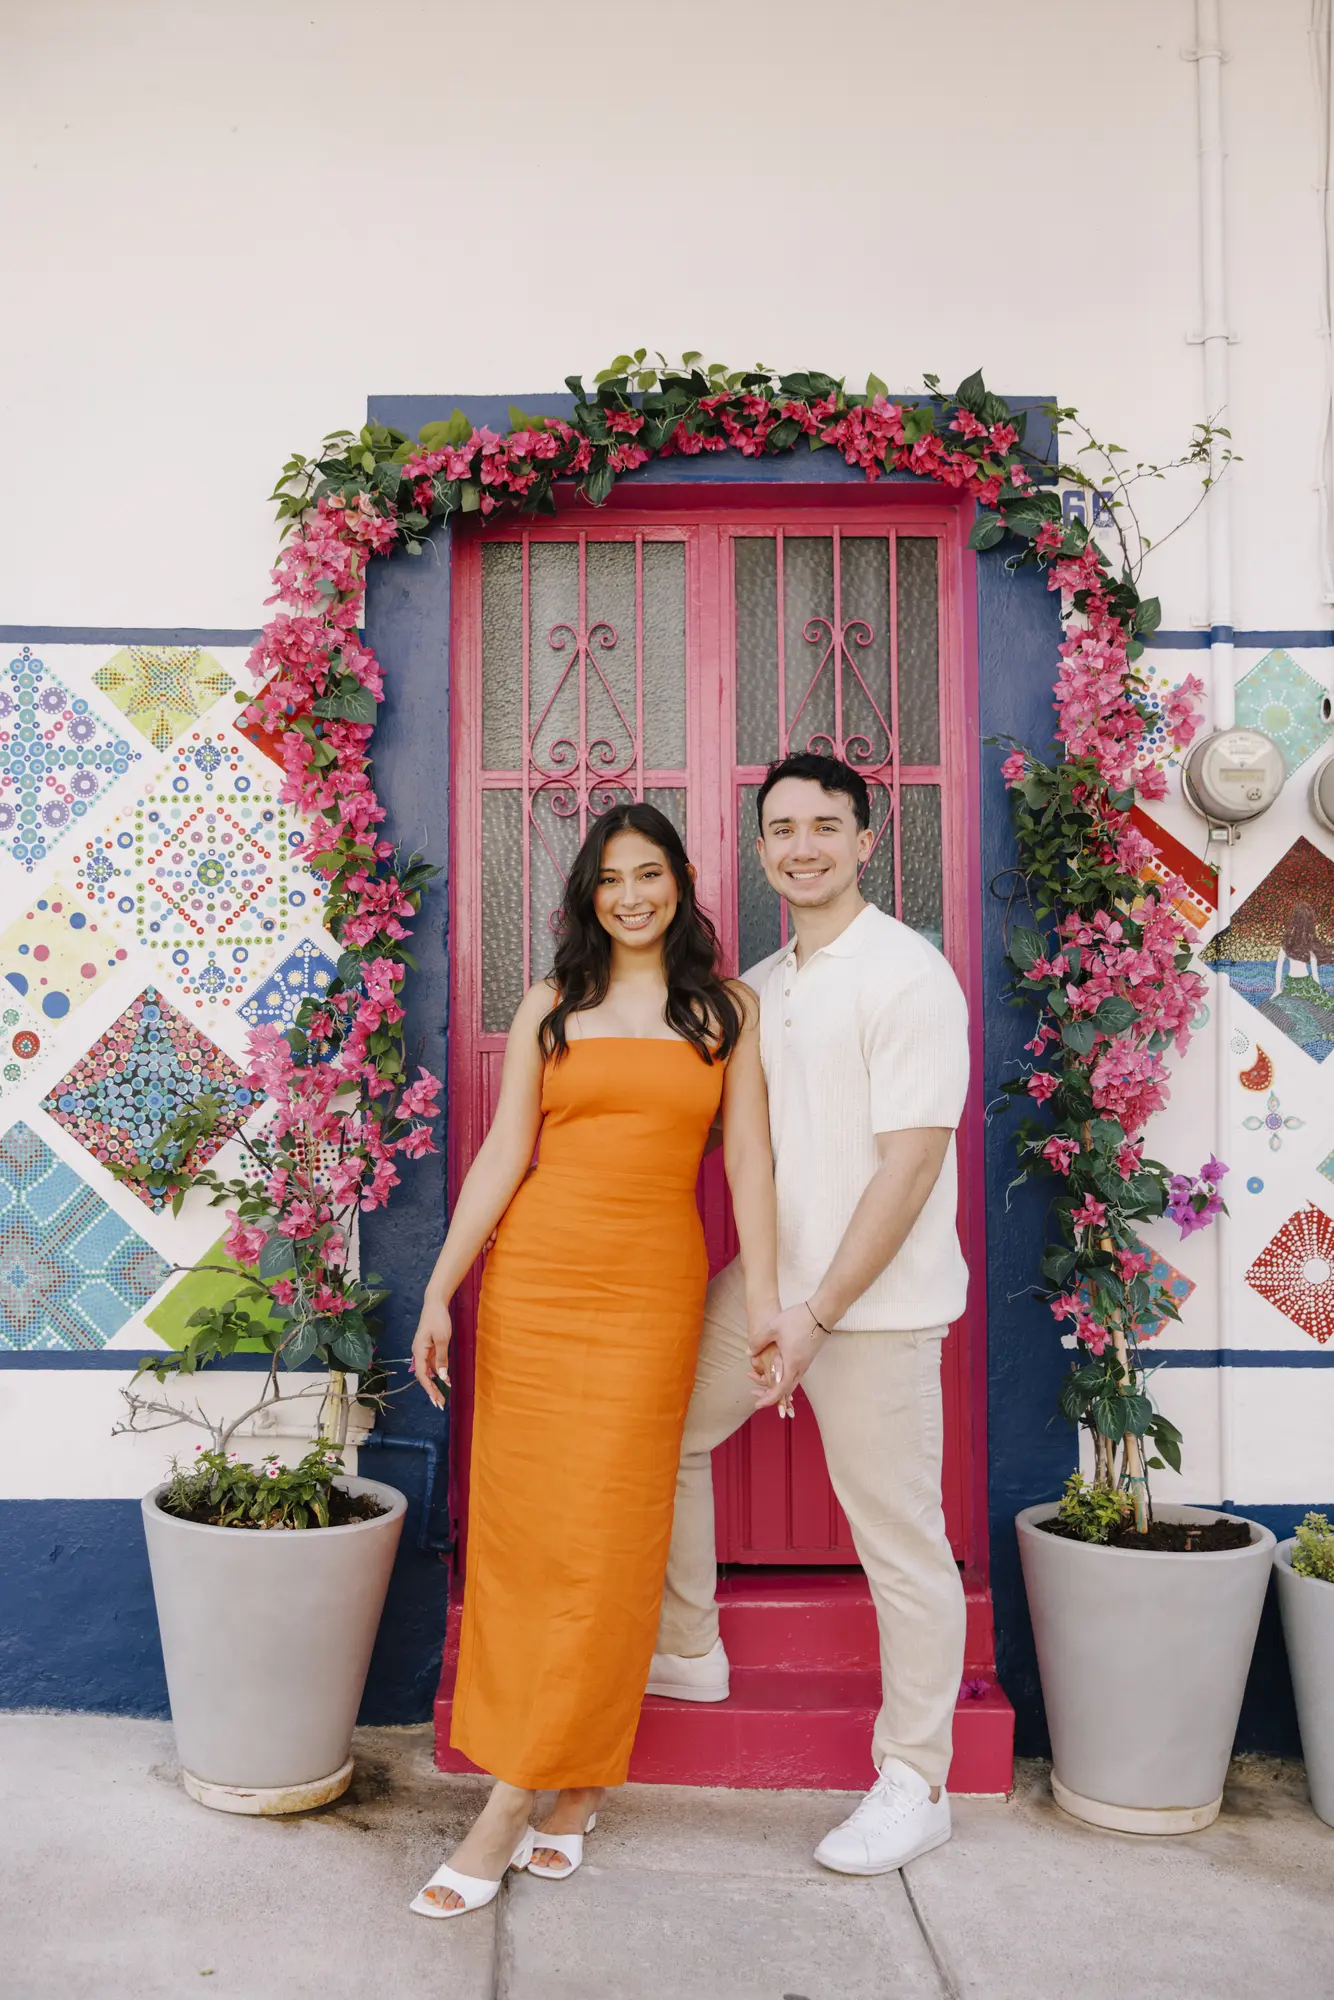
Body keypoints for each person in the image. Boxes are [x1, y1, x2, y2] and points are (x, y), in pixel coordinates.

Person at [408, 801, 778, 1918]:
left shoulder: (727, 1010)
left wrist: (764, 1302)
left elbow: (750, 1163)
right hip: (531, 1289)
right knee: (526, 1545)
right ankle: (561, 1783)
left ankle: (513, 1800)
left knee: (610, 1536)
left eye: (651, 873)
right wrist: (439, 1287)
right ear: (587, 893)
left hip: (646, 1294)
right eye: (612, 877)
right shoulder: (549, 1007)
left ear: (681, 884)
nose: (631, 894)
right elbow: (502, 1153)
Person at [648, 751, 970, 1876]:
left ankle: (914, 1777)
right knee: (665, 1432)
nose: (801, 845)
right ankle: (686, 1647)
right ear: (758, 847)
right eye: (780, 828)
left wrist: (818, 1313)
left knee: (900, 1541)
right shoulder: (767, 983)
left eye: (824, 826)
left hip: (868, 1309)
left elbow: (911, 1164)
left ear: (867, 841)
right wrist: (775, 1296)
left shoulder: (906, 974)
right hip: (770, 1285)